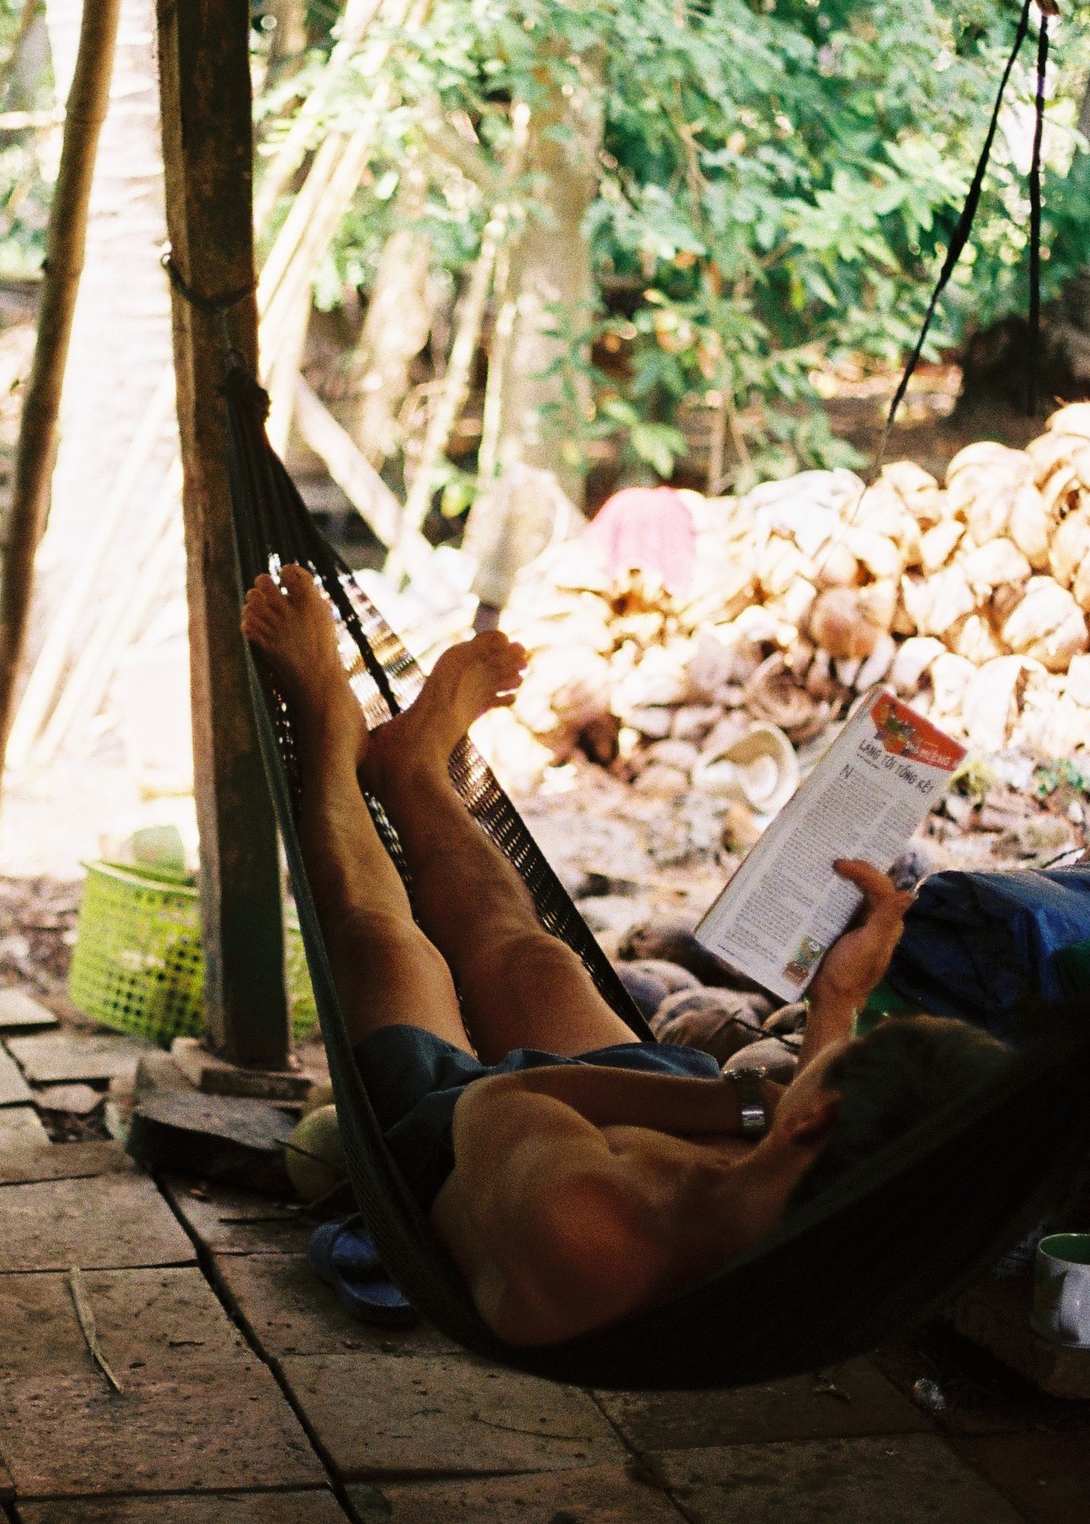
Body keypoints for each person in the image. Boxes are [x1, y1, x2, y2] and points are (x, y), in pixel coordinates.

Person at [242, 564, 1016, 1347]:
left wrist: (746, 1103)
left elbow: (494, 1104)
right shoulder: (835, 1205)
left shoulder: (597, 1236)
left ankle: (326, 730)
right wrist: (838, 1002)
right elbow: (832, 1139)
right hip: (667, 1116)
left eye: (853, 1055)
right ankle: (414, 770)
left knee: (386, 945)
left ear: (813, 1117)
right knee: (537, 962)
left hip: (467, 1148)